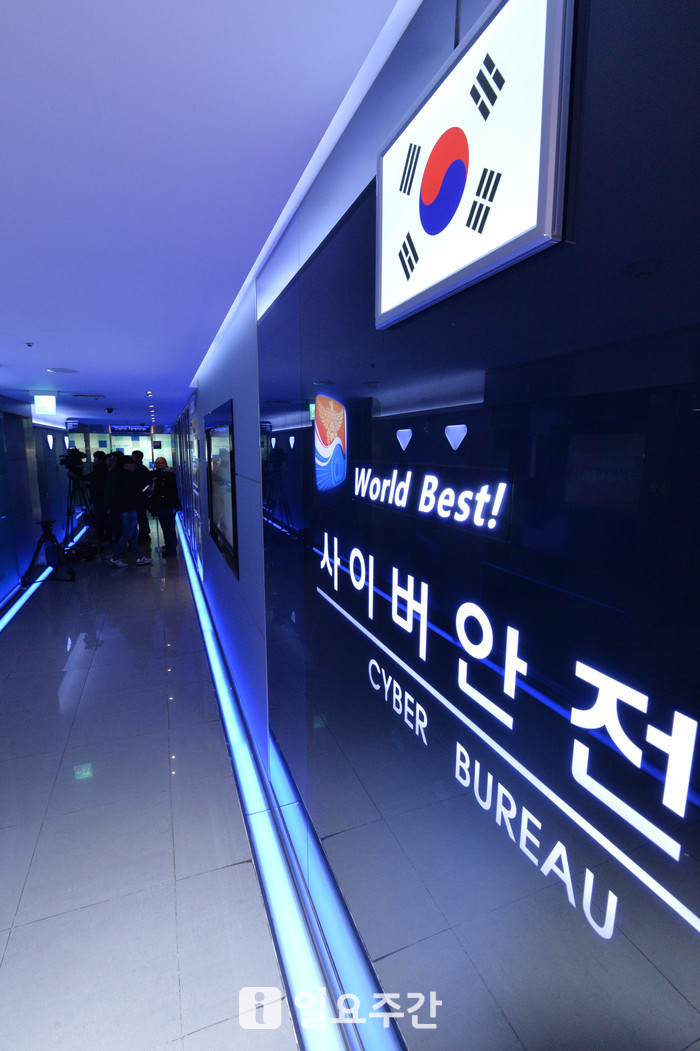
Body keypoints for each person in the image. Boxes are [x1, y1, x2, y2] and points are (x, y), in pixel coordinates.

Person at [107, 452, 152, 567]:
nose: (134, 466)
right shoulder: (127, 476)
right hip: (128, 509)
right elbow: (145, 476)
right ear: (126, 465)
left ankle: (139, 557)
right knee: (127, 535)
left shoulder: (116, 475)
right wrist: (163, 471)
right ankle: (115, 558)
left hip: (124, 509)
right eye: (132, 464)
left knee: (133, 535)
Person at [149, 456, 182, 556]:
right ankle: (168, 545)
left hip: (167, 505)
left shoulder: (169, 475)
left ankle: (171, 547)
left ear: (165, 463)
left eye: (160, 463)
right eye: (156, 463)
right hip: (163, 505)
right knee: (165, 526)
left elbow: (166, 490)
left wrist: (155, 490)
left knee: (168, 527)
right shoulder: (160, 474)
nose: (158, 465)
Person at [130, 449, 152, 542]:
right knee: (142, 516)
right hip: (141, 496)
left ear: (139, 458)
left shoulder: (140, 469)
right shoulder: (141, 468)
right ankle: (144, 533)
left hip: (140, 497)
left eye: (133, 457)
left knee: (141, 516)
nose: (132, 458)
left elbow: (147, 483)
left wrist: (143, 492)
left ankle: (144, 534)